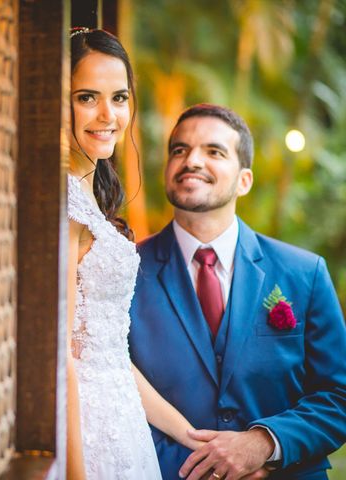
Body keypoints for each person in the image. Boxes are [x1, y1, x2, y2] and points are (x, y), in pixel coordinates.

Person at [129, 103, 346, 479]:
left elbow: (338, 396)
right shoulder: (124, 273)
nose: (192, 160)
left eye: (214, 151)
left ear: (244, 180)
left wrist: (263, 445)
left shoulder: (304, 273)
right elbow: (110, 392)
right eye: (179, 150)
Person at [66, 28, 204, 480]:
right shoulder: (63, 206)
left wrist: (191, 436)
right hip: (82, 434)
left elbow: (106, 356)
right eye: (87, 97)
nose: (109, 115)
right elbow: (59, 356)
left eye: (119, 97)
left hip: (121, 421)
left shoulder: (90, 198)